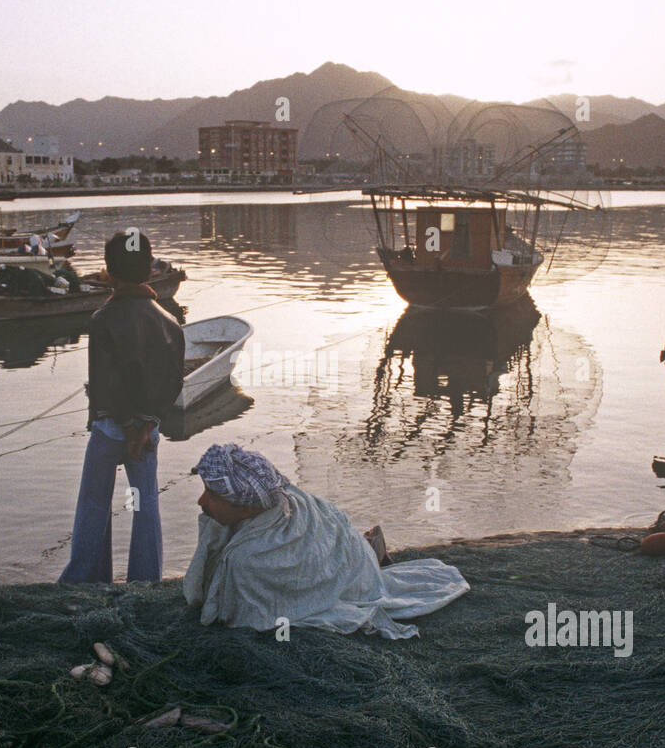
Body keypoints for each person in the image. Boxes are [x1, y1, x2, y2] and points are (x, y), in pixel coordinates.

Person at [183, 444, 470, 639]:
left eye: (213, 496)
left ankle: (369, 547)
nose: (201, 502)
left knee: (351, 577)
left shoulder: (248, 560)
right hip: (350, 551)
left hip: (354, 566)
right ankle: (369, 544)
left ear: (246, 509)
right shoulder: (278, 495)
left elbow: (241, 618)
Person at [59, 231, 185, 584]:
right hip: (147, 433)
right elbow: (172, 384)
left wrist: (128, 425)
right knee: (146, 506)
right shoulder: (170, 322)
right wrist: (144, 425)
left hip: (110, 429)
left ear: (109, 272)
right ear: (149, 269)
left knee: (94, 506)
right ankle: (145, 581)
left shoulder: (103, 319)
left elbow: (106, 383)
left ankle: (85, 579)